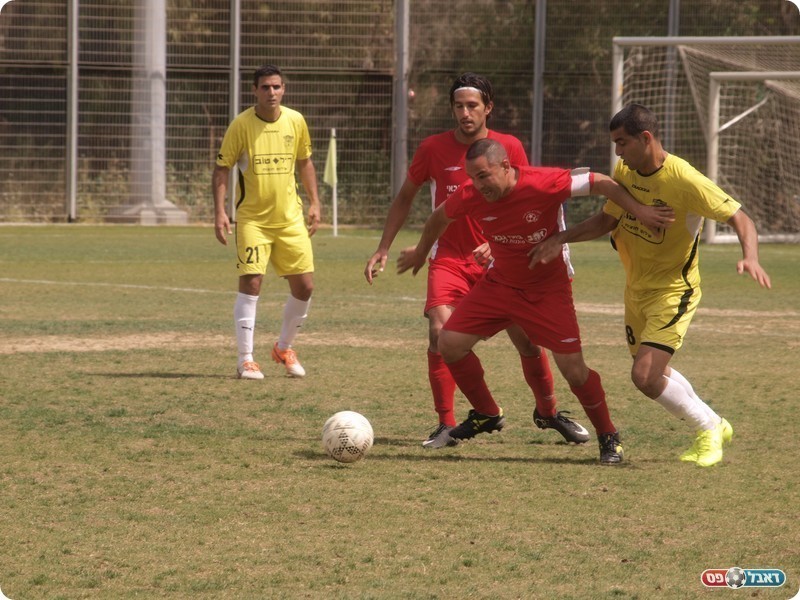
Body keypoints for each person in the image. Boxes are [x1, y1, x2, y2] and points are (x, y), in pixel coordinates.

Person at [397, 138, 673, 464]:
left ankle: (608, 435)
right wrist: (419, 250)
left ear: (505, 166)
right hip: (500, 285)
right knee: (449, 343)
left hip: (547, 289)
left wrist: (639, 210)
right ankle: (486, 412)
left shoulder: (544, 183)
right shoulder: (472, 195)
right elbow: (438, 218)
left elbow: (601, 182)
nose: (477, 185)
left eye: (484, 176)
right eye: (472, 177)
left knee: (574, 371)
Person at [529, 103, 771, 467]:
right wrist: (560, 238)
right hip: (636, 290)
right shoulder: (625, 171)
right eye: (614, 144)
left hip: (674, 290)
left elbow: (740, 217)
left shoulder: (684, 179)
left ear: (646, 138)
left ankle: (708, 432)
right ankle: (717, 424)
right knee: (656, 371)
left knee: (644, 376)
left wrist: (750, 256)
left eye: (622, 143)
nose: (617, 152)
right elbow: (606, 221)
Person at [364, 72, 590, 449]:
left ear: (488, 108)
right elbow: (405, 197)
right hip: (449, 257)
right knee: (440, 334)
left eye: (472, 106)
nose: (465, 113)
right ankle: (448, 423)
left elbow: (524, 195)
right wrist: (384, 246)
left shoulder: (509, 147)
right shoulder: (433, 148)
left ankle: (548, 412)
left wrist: (496, 244)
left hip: (501, 262)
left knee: (529, 343)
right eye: (458, 106)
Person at [213, 64, 321, 380]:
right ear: (255, 91)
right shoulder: (241, 125)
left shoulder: (295, 121)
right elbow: (222, 169)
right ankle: (245, 359)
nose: (271, 93)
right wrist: (220, 212)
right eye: (265, 87)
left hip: (290, 220)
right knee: (252, 281)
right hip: (253, 221)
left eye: (276, 87)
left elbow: (305, 163)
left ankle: (284, 348)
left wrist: (315, 202)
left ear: (283, 89)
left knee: (305, 286)